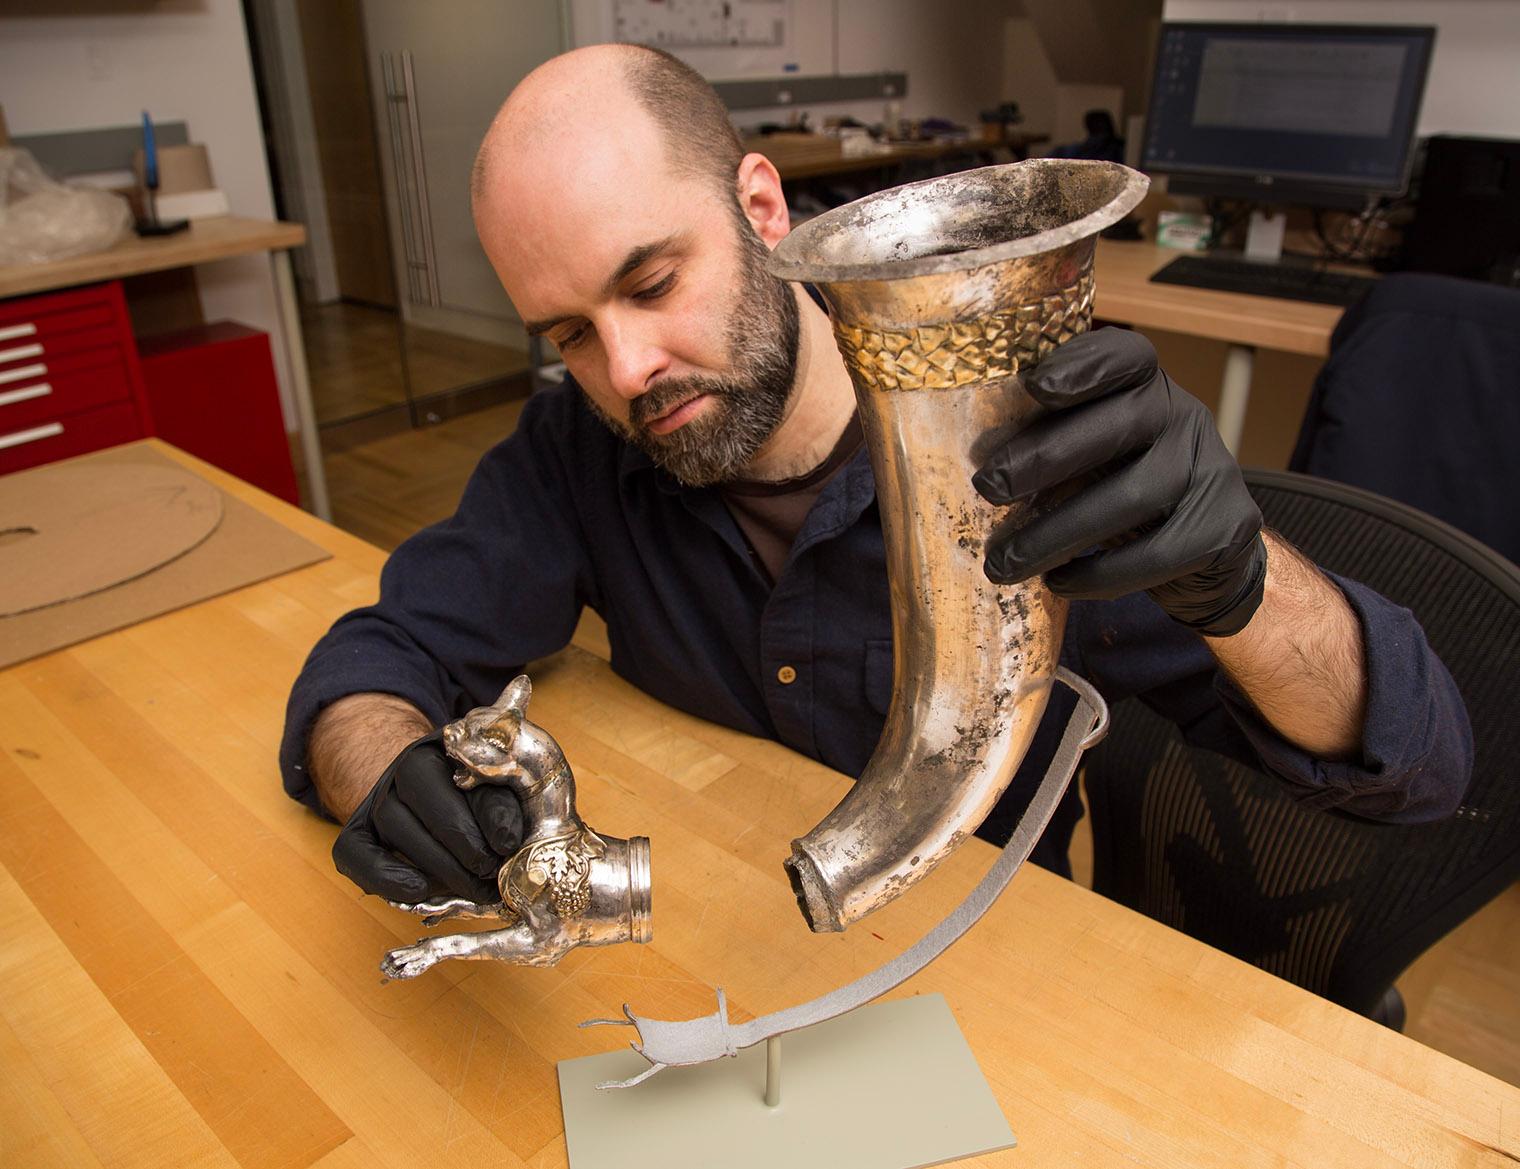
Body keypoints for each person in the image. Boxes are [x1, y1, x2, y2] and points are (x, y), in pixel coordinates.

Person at [280, 45, 1472, 908]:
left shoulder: (1041, 463)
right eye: (571, 334)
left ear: (759, 206)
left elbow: (1416, 764)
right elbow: (380, 656)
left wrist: (1241, 580)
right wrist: (385, 770)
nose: (627, 367)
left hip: (984, 979)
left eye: (650, 285)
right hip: (730, 950)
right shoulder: (577, 445)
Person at [1048, 109, 1126, 164]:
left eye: (1101, 123)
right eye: (1097, 124)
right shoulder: (1066, 151)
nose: (1099, 126)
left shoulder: (1118, 148)